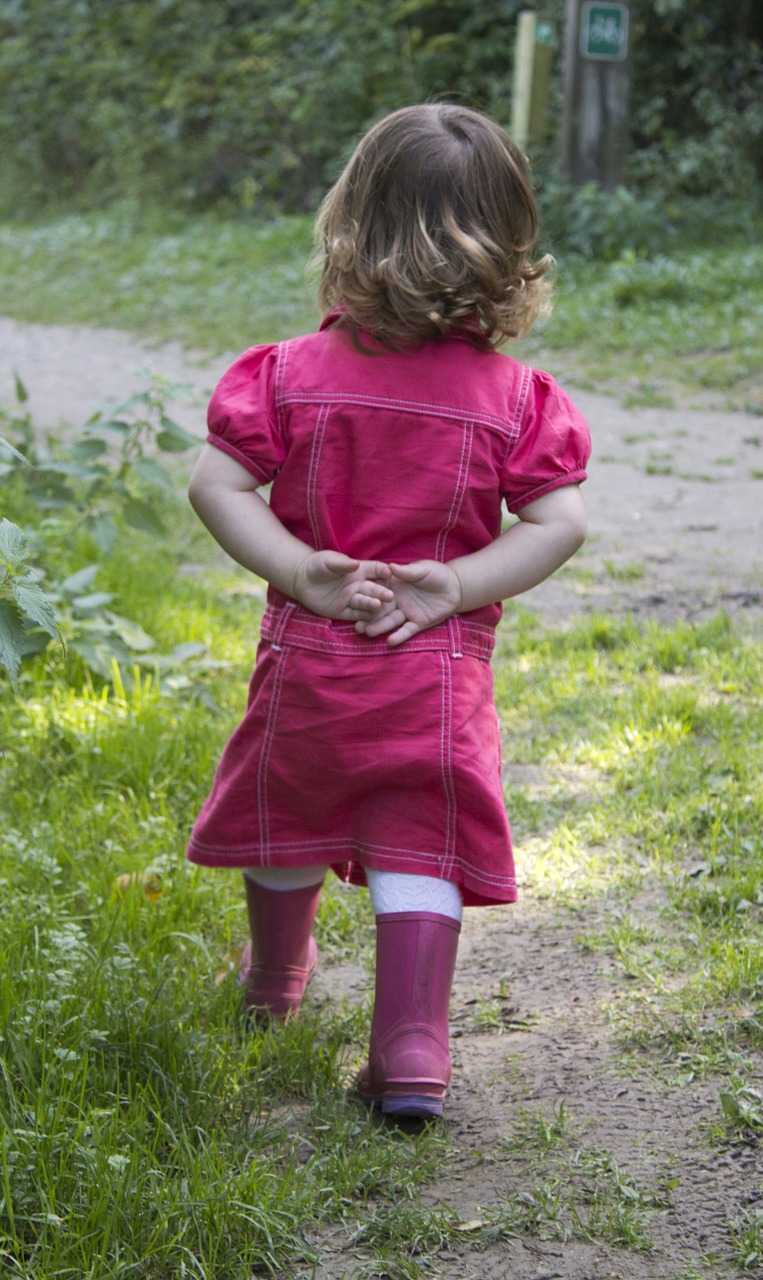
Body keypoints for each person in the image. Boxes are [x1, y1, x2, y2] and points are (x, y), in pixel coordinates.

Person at [186, 103, 590, 1119]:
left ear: (347, 223)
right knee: (420, 840)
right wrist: (455, 582)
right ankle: (411, 1047)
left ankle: (274, 982)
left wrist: (304, 569)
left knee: (287, 819)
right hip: (435, 669)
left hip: (311, 662)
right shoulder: (516, 397)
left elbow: (214, 487)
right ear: (507, 241)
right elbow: (558, 521)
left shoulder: (284, 375)